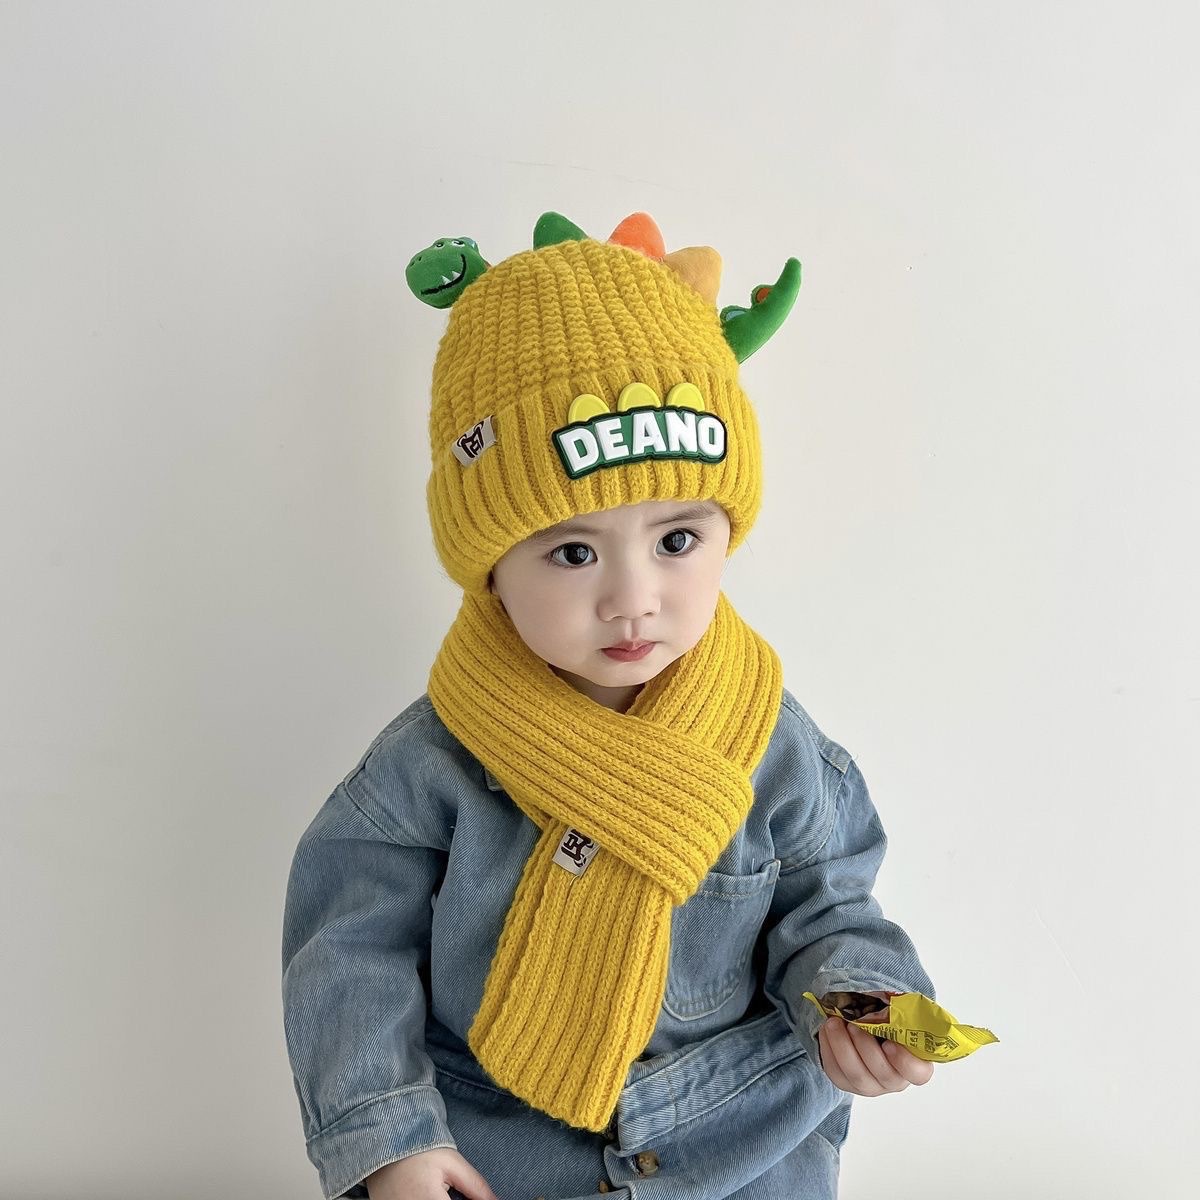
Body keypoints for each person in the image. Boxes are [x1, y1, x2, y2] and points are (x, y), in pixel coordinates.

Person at [281, 211, 937, 1200]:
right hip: (501, 1152)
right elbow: (348, 953)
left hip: (737, 1145)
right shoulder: (431, 764)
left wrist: (859, 996)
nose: (633, 598)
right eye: (573, 552)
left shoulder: (773, 743)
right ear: (490, 569)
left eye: (676, 541)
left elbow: (827, 908)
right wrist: (390, 1140)